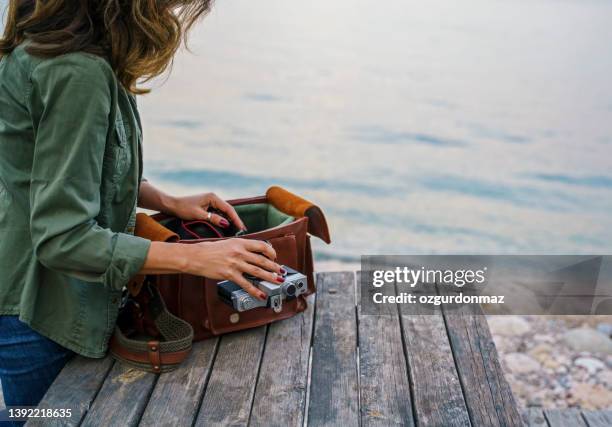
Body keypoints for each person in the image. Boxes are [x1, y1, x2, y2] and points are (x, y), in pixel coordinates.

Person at [0, 0, 283, 419]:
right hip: (43, 313)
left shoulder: (42, 48)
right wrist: (197, 257)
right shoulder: (78, 72)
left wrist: (163, 200)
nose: (173, 12)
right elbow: (63, 239)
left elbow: (61, 173)